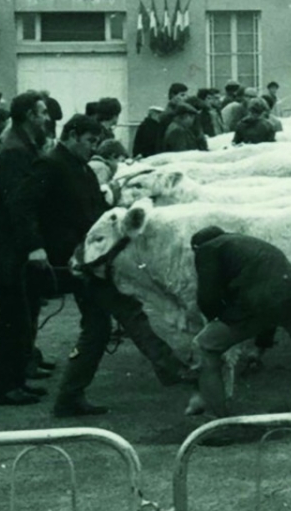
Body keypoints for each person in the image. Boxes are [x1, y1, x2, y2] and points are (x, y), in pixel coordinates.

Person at [35, 114, 192, 415]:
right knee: (125, 313)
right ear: (71, 135)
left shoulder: (77, 166)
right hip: (81, 258)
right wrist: (37, 248)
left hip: (94, 255)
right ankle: (170, 367)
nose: (92, 147)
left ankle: (70, 396)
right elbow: (29, 208)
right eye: (90, 141)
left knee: (99, 326)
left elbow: (93, 208)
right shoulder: (52, 165)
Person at [188, 226, 291, 437]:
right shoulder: (247, 242)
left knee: (203, 346)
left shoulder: (206, 249)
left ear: (196, 247)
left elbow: (208, 298)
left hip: (260, 303)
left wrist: (219, 323)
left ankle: (219, 427)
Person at [0, 91, 55, 405]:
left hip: (12, 249)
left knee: (20, 318)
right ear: (29, 116)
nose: (47, 117)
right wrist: (35, 246)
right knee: (11, 320)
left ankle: (17, 380)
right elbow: (18, 206)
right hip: (8, 252)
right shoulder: (14, 151)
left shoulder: (22, 145)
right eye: (43, 112)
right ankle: (3, 387)